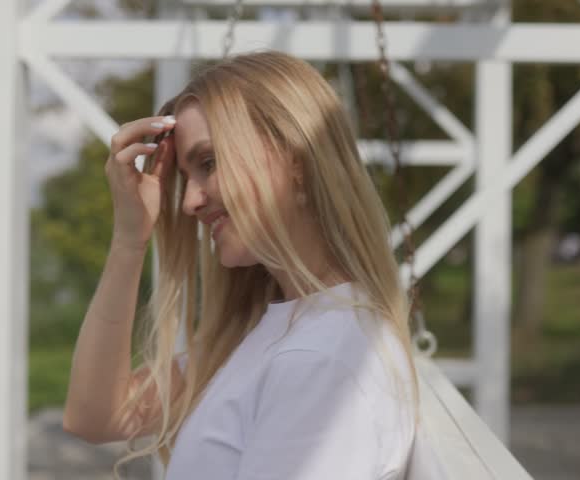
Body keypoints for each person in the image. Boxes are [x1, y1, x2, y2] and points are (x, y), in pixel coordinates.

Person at [62, 50, 420, 480]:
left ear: (298, 161)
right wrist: (128, 239)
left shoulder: (318, 356)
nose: (190, 202)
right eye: (186, 177)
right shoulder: (272, 330)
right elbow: (95, 415)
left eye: (209, 163)